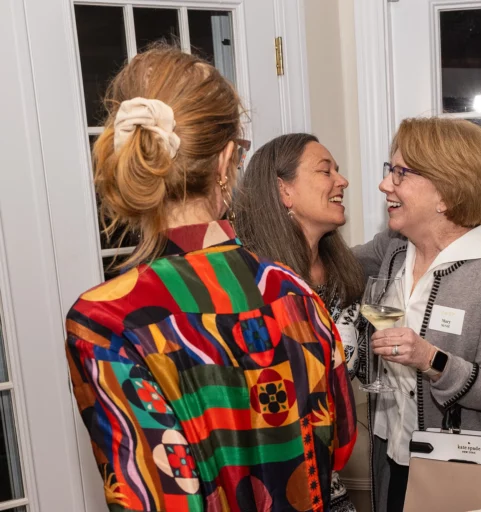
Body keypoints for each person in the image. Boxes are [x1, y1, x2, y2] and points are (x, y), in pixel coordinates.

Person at [65, 46, 356, 512]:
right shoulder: (292, 289)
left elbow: (146, 494)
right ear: (225, 162)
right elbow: (338, 443)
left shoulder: (105, 319)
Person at [355, 117, 481, 511]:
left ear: (447, 194)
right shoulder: (395, 250)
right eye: (390, 172)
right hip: (394, 455)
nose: (386, 185)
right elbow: (333, 266)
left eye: (400, 173)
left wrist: (429, 359)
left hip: (462, 472)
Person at [234, 133, 366, 512]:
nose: (341, 181)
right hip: (271, 487)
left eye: (338, 171)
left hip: (332, 486)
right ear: (283, 190)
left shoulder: (345, 273)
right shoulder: (249, 281)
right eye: (325, 171)